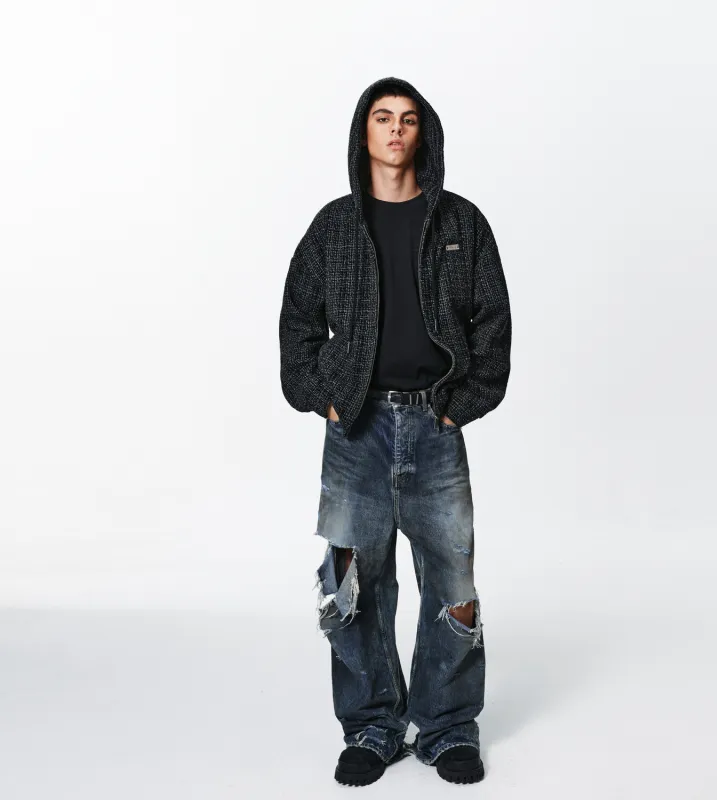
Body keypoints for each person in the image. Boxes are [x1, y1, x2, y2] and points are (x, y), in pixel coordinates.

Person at [279, 76, 512, 786]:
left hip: (435, 425)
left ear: (423, 133)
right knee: (354, 582)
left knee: (453, 581)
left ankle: (447, 726)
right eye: (383, 118)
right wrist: (323, 398)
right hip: (357, 428)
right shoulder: (334, 227)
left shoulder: (462, 223)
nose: (395, 130)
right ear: (364, 133)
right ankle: (373, 726)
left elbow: (493, 323)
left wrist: (459, 406)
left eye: (408, 119)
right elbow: (297, 322)